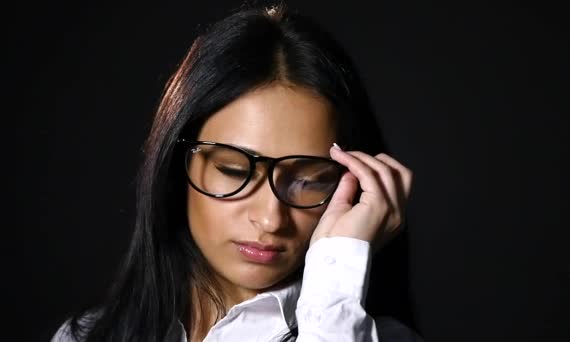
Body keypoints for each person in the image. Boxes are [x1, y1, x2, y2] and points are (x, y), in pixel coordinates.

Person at [52, 3, 421, 341]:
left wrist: (339, 276)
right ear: (177, 168)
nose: (270, 219)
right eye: (232, 170)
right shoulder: (87, 337)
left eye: (307, 180)